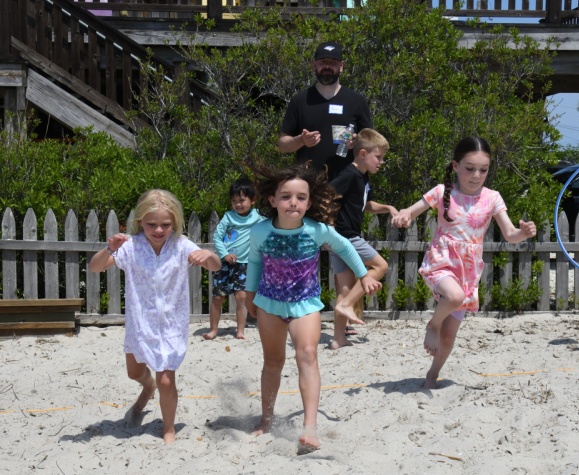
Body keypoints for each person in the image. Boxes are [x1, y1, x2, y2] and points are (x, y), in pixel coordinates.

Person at [392, 136, 537, 388]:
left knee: (449, 336)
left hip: (467, 270)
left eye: (483, 170)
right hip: (441, 260)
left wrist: (523, 233)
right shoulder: (441, 191)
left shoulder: (493, 198)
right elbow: (411, 211)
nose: (476, 175)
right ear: (456, 166)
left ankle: (432, 375)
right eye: (470, 168)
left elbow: (510, 234)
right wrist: (403, 215)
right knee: (454, 296)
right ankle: (432, 324)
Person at [245, 164, 371, 454]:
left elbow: (345, 247)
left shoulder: (317, 230)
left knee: (308, 355)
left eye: (301, 197)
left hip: (305, 305)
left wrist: (363, 274)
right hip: (269, 304)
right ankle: (266, 420)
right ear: (273, 200)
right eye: (286, 196)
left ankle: (310, 427)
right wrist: (250, 295)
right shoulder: (260, 231)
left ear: (309, 203)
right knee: (273, 362)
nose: (293, 202)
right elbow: (254, 261)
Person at [89, 189, 220, 444]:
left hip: (171, 325)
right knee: (134, 372)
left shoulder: (181, 246)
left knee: (166, 380)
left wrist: (209, 256)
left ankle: (168, 428)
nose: (159, 230)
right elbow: (95, 267)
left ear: (175, 223)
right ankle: (147, 387)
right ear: (141, 222)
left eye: (165, 225)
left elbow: (215, 266)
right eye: (151, 224)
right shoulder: (131, 247)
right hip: (140, 324)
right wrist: (109, 249)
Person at [328, 127, 398, 350]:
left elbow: (366, 205)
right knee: (380, 266)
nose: (381, 162)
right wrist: (328, 226)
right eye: (379, 157)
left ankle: (338, 339)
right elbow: (326, 194)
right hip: (345, 237)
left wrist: (388, 207)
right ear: (362, 153)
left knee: (345, 288)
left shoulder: (362, 176)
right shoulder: (350, 174)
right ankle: (347, 305)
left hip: (339, 239)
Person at [278, 41, 373, 182]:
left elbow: (372, 144)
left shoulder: (357, 101)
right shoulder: (299, 101)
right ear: (314, 65)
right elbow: (282, 145)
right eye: (323, 62)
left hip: (347, 184)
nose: (327, 66)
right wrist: (301, 140)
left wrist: (357, 143)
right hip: (309, 184)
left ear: (341, 66)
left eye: (332, 62)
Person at [204, 177, 262, 340]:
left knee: (242, 297)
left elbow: (271, 225)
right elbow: (217, 237)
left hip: (245, 264)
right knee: (218, 297)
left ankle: (240, 330)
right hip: (225, 263)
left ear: (253, 200)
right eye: (234, 201)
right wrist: (224, 254)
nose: (238, 204)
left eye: (242, 200)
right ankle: (213, 330)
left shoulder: (259, 216)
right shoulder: (229, 217)